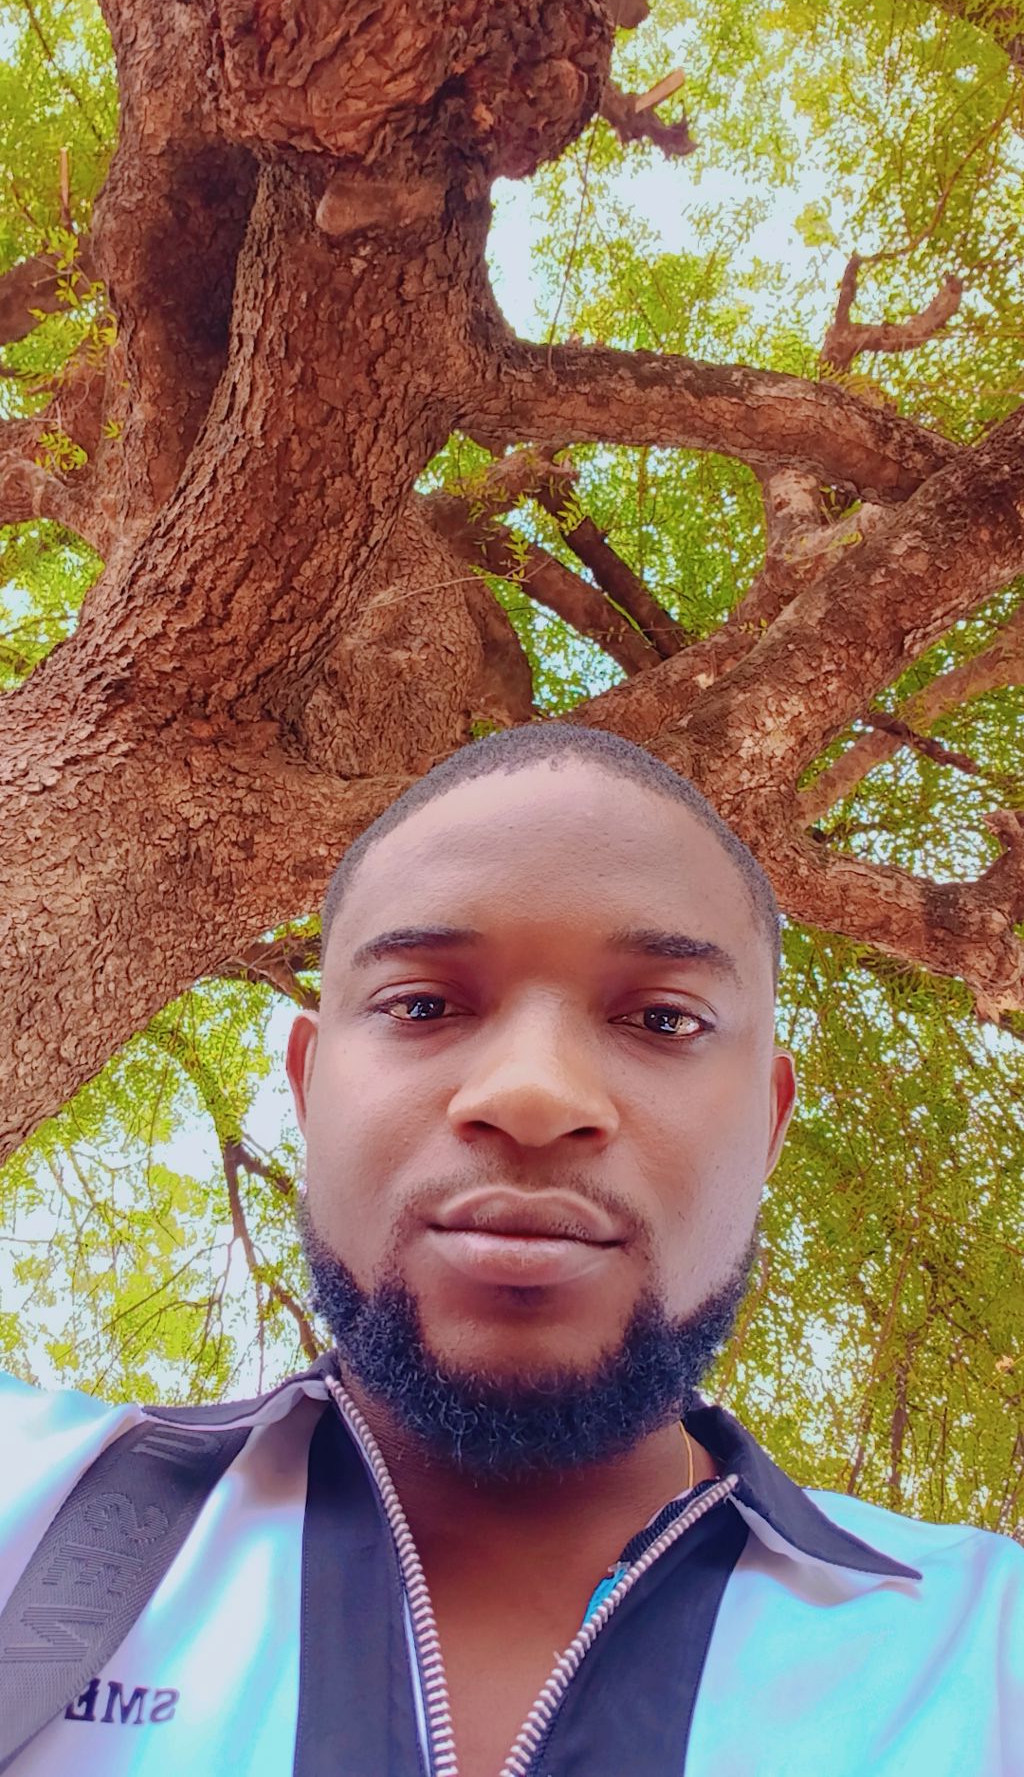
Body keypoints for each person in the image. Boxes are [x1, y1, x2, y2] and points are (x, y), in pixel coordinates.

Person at [0, 721, 1020, 1777]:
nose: (534, 1095)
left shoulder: (986, 1650)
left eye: (663, 1020)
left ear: (769, 1122)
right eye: (422, 1004)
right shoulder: (29, 1499)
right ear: (307, 1089)